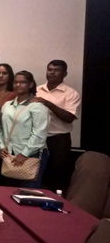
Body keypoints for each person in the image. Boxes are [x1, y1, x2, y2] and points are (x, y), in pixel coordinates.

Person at [0, 71, 50, 188]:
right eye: (16, 82)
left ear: (30, 85)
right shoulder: (7, 105)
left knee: (28, 192)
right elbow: (0, 128)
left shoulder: (37, 106)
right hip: (9, 155)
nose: (18, 85)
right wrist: (1, 147)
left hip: (31, 155)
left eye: (22, 82)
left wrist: (25, 153)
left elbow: (39, 133)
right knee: (8, 192)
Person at [35, 60, 80, 192]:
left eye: (56, 70)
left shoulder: (71, 94)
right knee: (37, 174)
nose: (52, 72)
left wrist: (47, 103)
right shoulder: (37, 90)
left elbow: (69, 118)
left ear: (64, 73)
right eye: (49, 69)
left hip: (59, 140)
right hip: (38, 138)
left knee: (57, 175)